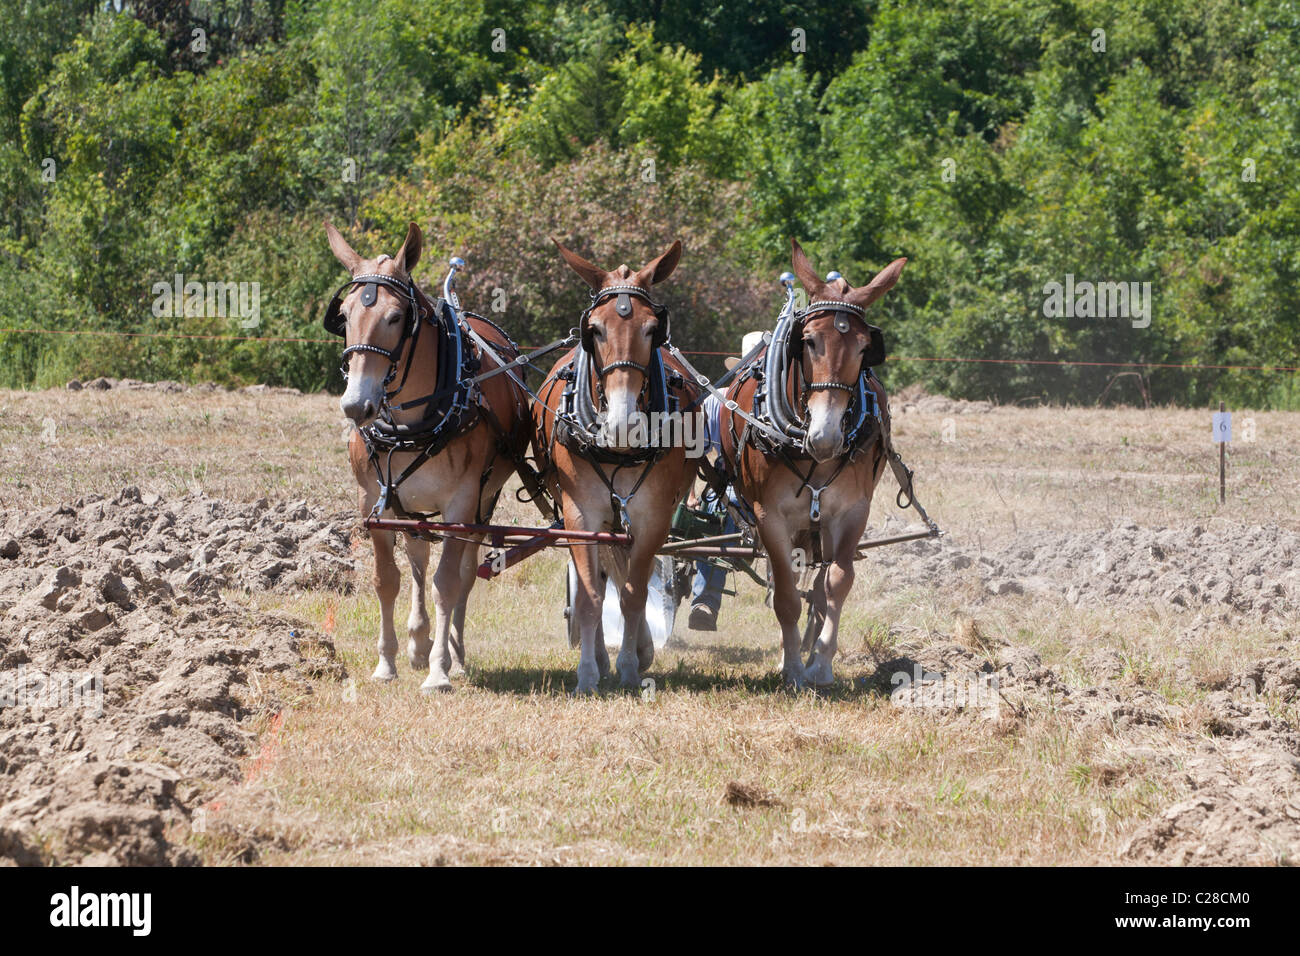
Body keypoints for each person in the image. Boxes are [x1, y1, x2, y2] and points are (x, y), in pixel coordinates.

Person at [687, 332, 764, 631]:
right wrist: (689, 495)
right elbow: (694, 451)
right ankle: (704, 602)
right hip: (728, 485)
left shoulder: (782, 406)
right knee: (718, 515)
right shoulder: (716, 401)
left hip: (773, 490)